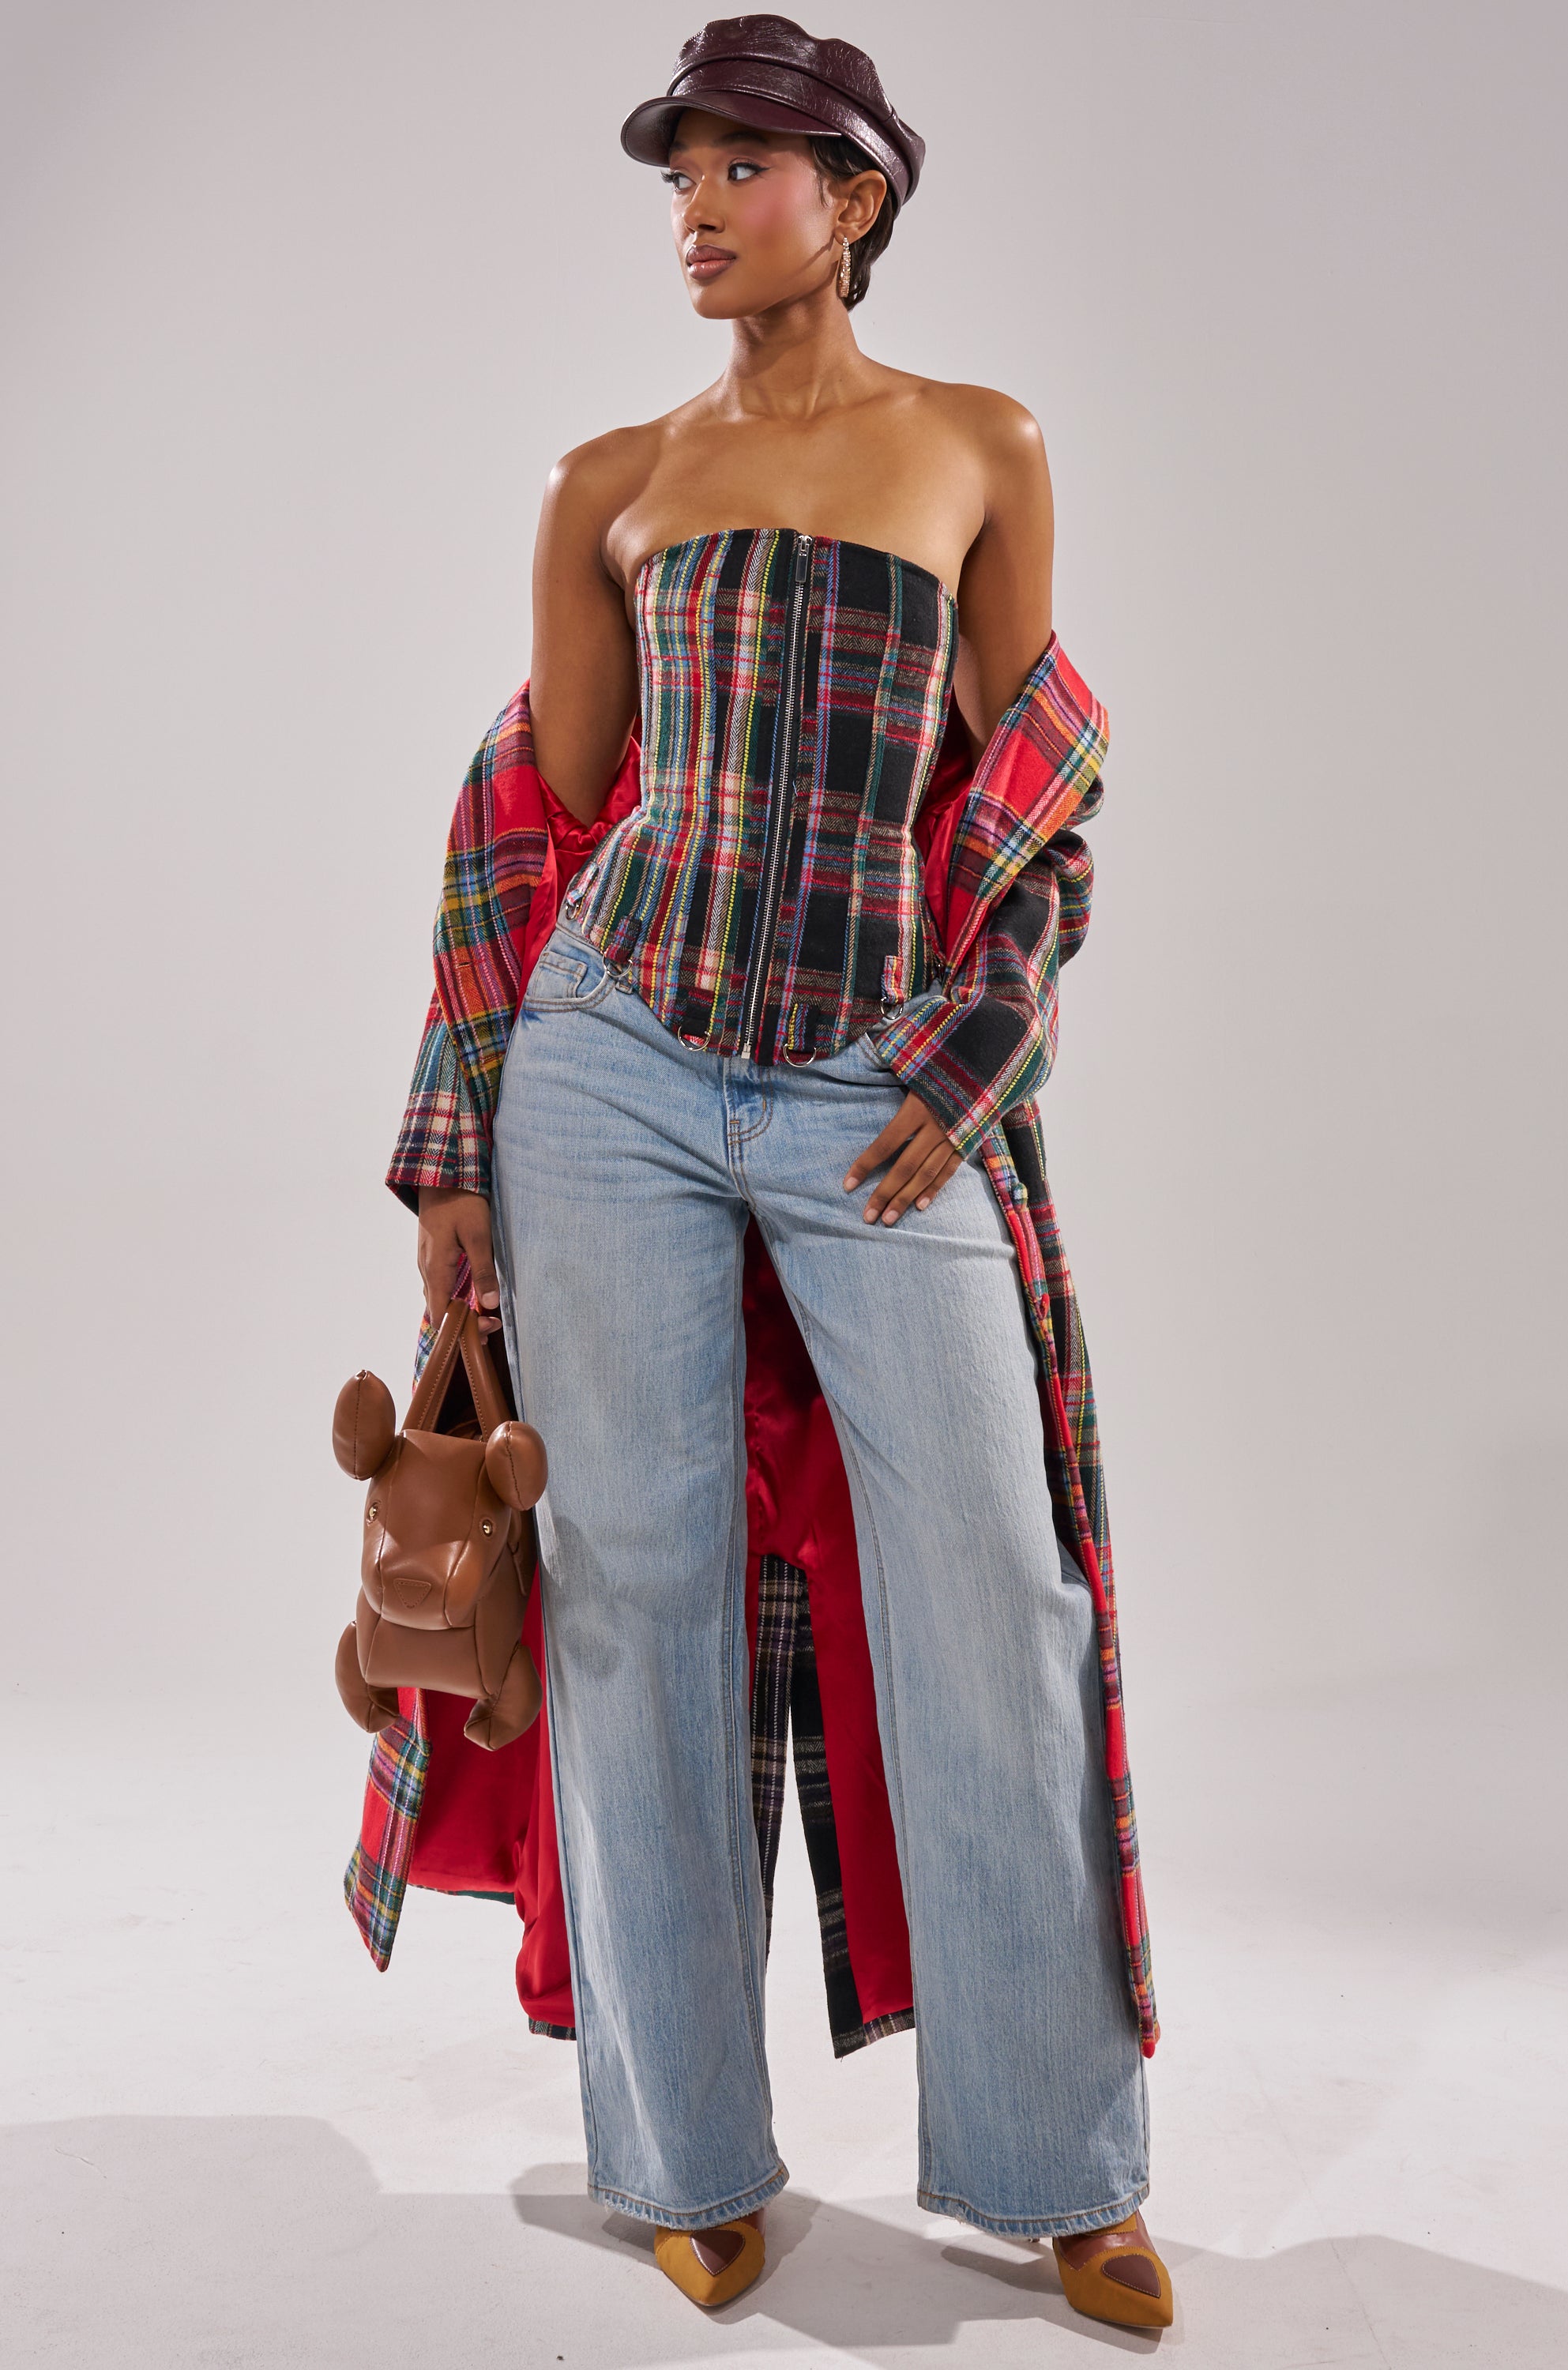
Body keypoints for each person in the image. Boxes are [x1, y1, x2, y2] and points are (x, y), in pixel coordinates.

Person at [384, 14, 1171, 2331]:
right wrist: (455, 1127)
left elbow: (1034, 797)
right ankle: (678, 2153)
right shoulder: (605, 478)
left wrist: (982, 1025)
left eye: (745, 169)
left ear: (855, 198)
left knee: (995, 1592)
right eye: (680, 174)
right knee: (635, 1589)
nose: (698, 209)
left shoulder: (977, 446)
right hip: (605, 1066)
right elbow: (528, 816)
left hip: (872, 1087)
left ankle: (1054, 2163)